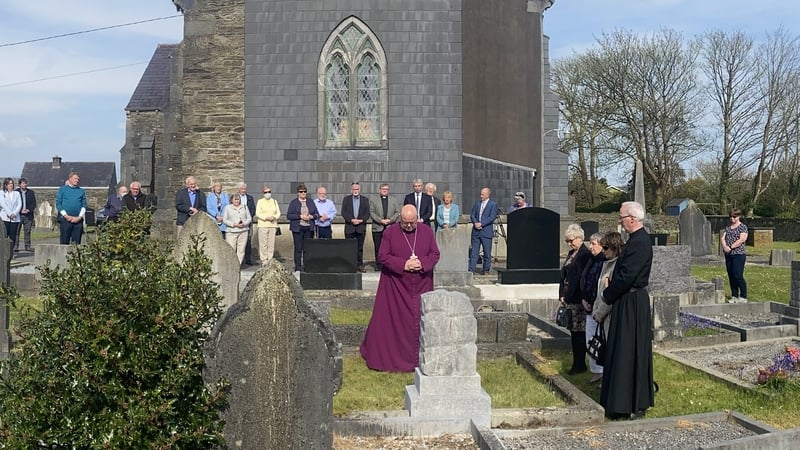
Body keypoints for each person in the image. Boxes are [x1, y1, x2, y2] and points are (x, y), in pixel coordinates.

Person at [360, 204, 441, 372]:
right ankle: (393, 359)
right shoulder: (390, 232)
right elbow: (383, 256)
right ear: (400, 220)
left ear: (417, 219)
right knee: (393, 321)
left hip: (421, 284)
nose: (409, 226)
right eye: (405, 223)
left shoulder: (426, 231)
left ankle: (420, 358)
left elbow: (435, 254)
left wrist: (421, 263)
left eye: (412, 222)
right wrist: (403, 264)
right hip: (396, 286)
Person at [600, 201, 654, 420]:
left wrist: (608, 293)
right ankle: (618, 400)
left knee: (629, 351)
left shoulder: (640, 243)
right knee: (621, 350)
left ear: (632, 218)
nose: (620, 221)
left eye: (621, 217)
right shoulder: (634, 242)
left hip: (632, 301)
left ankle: (631, 402)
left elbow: (627, 276)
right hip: (626, 300)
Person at [559, 223, 592, 375]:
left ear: (580, 238)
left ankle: (579, 364)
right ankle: (577, 363)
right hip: (569, 298)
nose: (569, 243)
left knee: (579, 333)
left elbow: (580, 278)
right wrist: (562, 294)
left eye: (571, 240)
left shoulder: (584, 254)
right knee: (574, 332)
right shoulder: (572, 253)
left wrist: (570, 296)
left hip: (578, 300)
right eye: (567, 241)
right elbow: (564, 275)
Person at [580, 232, 606, 383]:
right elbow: (586, 280)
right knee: (590, 339)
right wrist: (584, 299)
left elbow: (601, 284)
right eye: (590, 243)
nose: (590, 247)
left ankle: (602, 370)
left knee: (600, 339)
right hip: (588, 305)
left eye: (593, 243)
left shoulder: (604, 261)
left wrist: (596, 303)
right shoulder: (591, 260)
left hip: (599, 306)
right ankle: (596, 370)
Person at [593, 232, 624, 339]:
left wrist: (599, 314)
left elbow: (610, 292)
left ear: (614, 247)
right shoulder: (606, 264)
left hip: (609, 317)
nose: (603, 250)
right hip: (600, 316)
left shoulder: (616, 267)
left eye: (606, 248)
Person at [286, 184, 319, 272]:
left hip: (309, 228)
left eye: (305, 192)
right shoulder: (294, 203)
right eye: (301, 192)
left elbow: (317, 214)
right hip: (298, 228)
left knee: (307, 248)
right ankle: (298, 266)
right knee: (298, 248)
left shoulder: (310, 202)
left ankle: (307, 266)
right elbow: (289, 215)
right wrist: (300, 216)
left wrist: (311, 217)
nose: (303, 193)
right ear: (298, 193)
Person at [369, 183, 400, 270]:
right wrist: (380, 220)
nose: (384, 190)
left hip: (390, 227)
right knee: (378, 247)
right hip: (377, 227)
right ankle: (379, 265)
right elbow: (371, 212)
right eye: (383, 189)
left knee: (391, 247)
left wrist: (390, 220)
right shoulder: (373, 200)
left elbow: (397, 212)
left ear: (388, 190)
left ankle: (389, 264)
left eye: (386, 189)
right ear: (380, 190)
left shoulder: (394, 200)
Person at [468, 187, 498, 275]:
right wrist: (476, 223)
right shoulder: (477, 203)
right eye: (480, 194)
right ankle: (471, 270)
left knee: (487, 253)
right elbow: (472, 214)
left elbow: (492, 217)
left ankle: (486, 269)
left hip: (486, 232)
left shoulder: (493, 204)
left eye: (483, 194)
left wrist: (481, 224)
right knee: (474, 252)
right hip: (476, 232)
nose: (481, 196)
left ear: (488, 195)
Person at [341, 182, 370, 272]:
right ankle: (349, 265)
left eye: (357, 189)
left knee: (359, 247)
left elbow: (367, 213)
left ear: (359, 190)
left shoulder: (365, 200)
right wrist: (351, 220)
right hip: (350, 227)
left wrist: (361, 220)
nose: (355, 191)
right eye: (354, 189)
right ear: (351, 190)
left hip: (360, 227)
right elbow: (343, 212)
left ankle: (359, 265)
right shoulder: (346, 199)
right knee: (349, 247)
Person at [722, 208, 748, 303]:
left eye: (734, 217)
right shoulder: (728, 227)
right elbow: (723, 238)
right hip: (729, 255)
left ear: (739, 216)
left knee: (738, 275)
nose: (732, 218)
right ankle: (734, 295)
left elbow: (742, 239)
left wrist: (731, 247)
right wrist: (725, 246)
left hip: (738, 254)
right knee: (731, 275)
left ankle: (743, 296)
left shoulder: (743, 227)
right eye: (731, 217)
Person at [55, 172, 88, 245]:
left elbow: (84, 205)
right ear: (70, 178)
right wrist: (66, 216)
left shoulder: (81, 191)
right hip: (65, 220)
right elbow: (58, 204)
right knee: (64, 242)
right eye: (75, 178)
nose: (77, 180)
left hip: (77, 221)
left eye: (78, 179)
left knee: (76, 243)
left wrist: (79, 217)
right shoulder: (62, 189)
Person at [223, 193, 252, 265]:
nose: (237, 201)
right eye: (235, 199)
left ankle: (238, 265)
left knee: (241, 250)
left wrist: (244, 224)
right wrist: (234, 224)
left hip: (243, 231)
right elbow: (225, 220)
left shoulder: (244, 207)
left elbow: (249, 218)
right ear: (231, 200)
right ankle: (231, 265)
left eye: (238, 199)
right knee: (231, 249)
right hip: (231, 232)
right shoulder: (227, 208)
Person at [255, 184, 280, 265]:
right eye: (266, 192)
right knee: (263, 243)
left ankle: (270, 259)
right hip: (263, 225)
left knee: (271, 243)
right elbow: (257, 213)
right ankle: (264, 259)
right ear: (263, 193)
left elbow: (278, 213)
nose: (268, 193)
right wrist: (266, 218)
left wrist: (274, 217)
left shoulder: (274, 201)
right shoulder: (260, 201)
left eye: (269, 192)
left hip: (273, 225)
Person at [236, 182, 257, 265]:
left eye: (244, 189)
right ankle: (239, 260)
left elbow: (253, 209)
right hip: (237, 222)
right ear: (238, 189)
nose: (243, 190)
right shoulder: (235, 197)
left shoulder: (250, 198)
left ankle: (248, 259)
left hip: (248, 222)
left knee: (248, 240)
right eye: (241, 189)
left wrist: (247, 218)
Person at [14, 177, 36, 252]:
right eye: (23, 183)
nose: (25, 185)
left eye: (25, 183)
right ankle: (15, 246)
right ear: (19, 184)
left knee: (27, 231)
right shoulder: (16, 192)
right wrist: (20, 210)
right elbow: (14, 204)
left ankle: (28, 246)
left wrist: (28, 210)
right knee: (17, 231)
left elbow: (34, 204)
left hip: (28, 215)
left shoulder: (31, 192)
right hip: (18, 215)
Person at [0, 178, 22, 253]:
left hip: (15, 218)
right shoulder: (2, 193)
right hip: (5, 217)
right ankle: (3, 252)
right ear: (6, 185)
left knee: (13, 236)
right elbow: (3, 204)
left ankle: (10, 252)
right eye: (9, 184)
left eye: (12, 183)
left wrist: (14, 213)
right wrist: (9, 213)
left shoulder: (17, 193)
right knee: (4, 235)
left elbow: (19, 204)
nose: (11, 185)